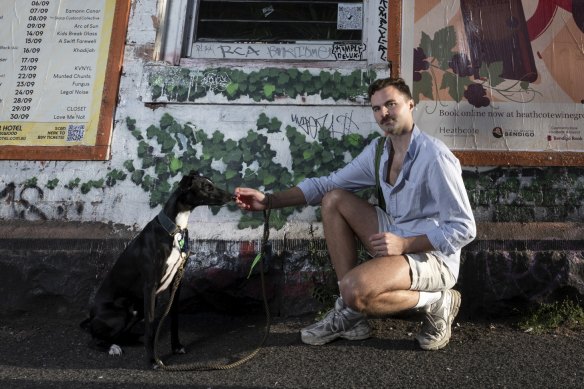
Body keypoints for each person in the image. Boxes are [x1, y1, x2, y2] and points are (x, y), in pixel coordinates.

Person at [234, 77, 476, 350]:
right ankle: (352, 316)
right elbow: (327, 184)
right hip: (395, 234)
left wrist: (405, 244)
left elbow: (464, 228)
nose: (383, 113)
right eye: (376, 108)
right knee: (334, 199)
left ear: (410, 105)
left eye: (391, 104)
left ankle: (438, 300)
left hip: (432, 256)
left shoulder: (435, 157)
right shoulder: (379, 152)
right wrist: (269, 201)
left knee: (355, 291)